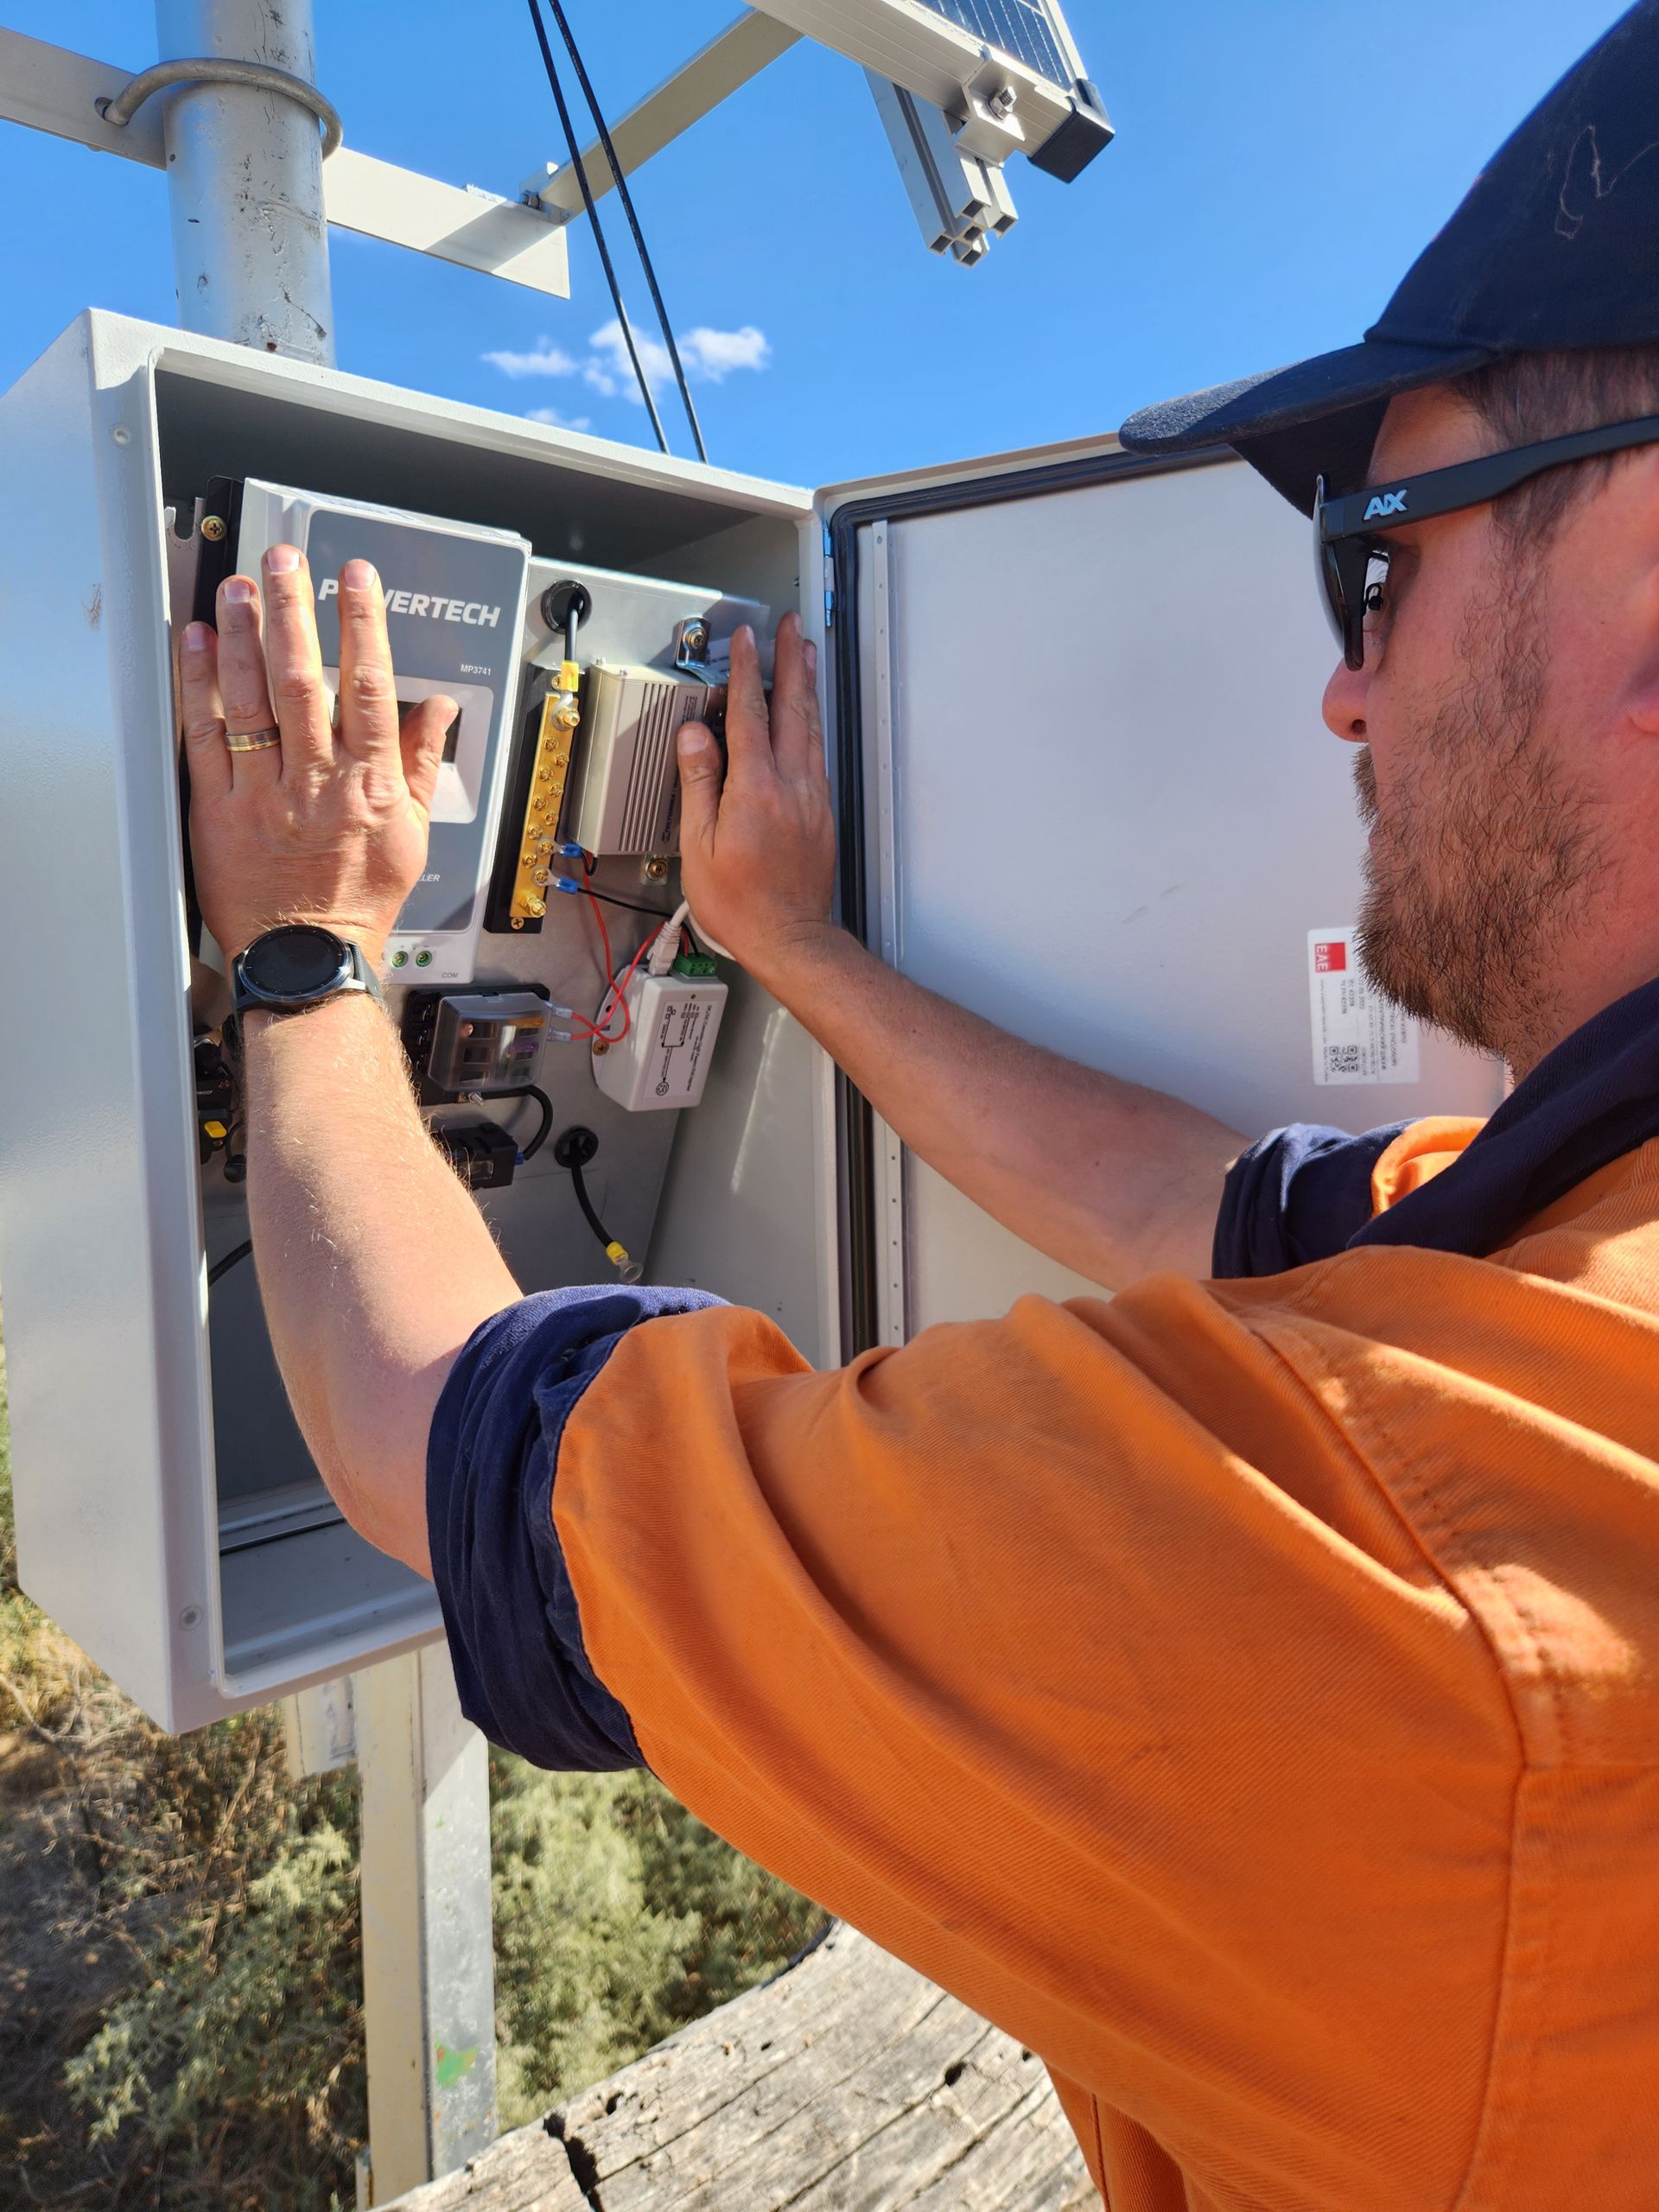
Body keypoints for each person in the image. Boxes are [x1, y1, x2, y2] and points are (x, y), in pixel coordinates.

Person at [182, 8, 1659, 2205]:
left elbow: (437, 1431)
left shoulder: (1400, 1573)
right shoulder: (1560, 1278)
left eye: (1381, 558)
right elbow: (1210, 1205)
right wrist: (788, 945)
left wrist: (303, 953)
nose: (1345, 680)